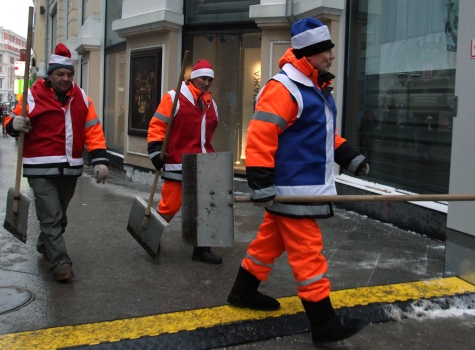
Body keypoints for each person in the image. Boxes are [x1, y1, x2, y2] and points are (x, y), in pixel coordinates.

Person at [226, 18, 370, 345]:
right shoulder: (284, 88)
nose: (332, 56)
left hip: (302, 188)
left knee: (269, 243)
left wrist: (349, 155)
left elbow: (322, 137)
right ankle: (324, 324)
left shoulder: (315, 88)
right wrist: (260, 182)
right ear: (310, 52)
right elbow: (261, 135)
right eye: (326, 51)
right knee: (309, 254)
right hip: (295, 190)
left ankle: (242, 291)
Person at [4, 43, 110, 282]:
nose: (65, 78)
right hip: (40, 169)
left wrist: (100, 160)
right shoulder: (32, 95)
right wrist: (13, 124)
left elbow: (92, 129)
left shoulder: (81, 97)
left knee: (60, 217)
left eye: (69, 74)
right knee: (50, 216)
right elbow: (10, 119)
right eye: (60, 74)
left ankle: (45, 244)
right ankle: (61, 263)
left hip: (70, 168)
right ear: (49, 75)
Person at [147, 59, 222, 264]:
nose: (206, 83)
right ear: (193, 77)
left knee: (205, 206)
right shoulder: (174, 97)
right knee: (170, 206)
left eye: (210, 80)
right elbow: (157, 125)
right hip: (177, 161)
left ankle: (202, 249)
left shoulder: (211, 103)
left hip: (204, 162)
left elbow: (210, 131)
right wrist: (155, 151)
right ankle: (150, 236)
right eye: (203, 78)